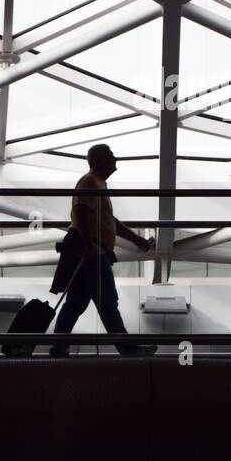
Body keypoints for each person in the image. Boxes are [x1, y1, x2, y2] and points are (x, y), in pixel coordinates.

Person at [50, 144, 156, 357]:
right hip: (92, 253)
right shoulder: (89, 182)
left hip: (93, 252)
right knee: (106, 303)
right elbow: (80, 211)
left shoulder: (98, 184)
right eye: (110, 155)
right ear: (99, 161)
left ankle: (59, 346)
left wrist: (136, 239)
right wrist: (88, 244)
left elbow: (109, 221)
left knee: (77, 303)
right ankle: (128, 350)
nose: (115, 158)